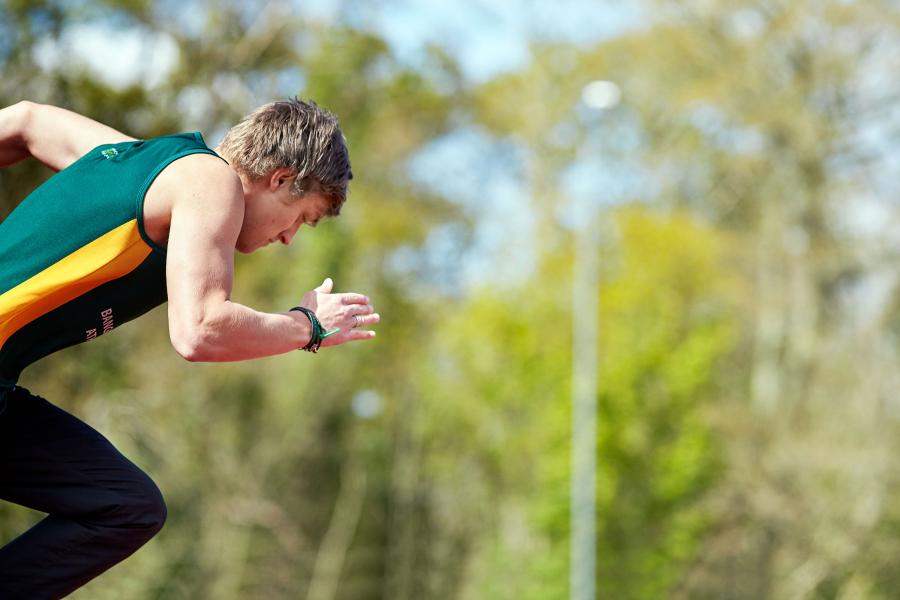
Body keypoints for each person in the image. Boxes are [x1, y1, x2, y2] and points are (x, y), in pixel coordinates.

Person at [0, 98, 379, 598]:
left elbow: (28, 121)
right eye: (301, 219)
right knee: (123, 507)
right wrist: (306, 326)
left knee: (125, 504)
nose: (288, 238)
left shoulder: (138, 159)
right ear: (282, 178)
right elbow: (198, 329)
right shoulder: (210, 181)